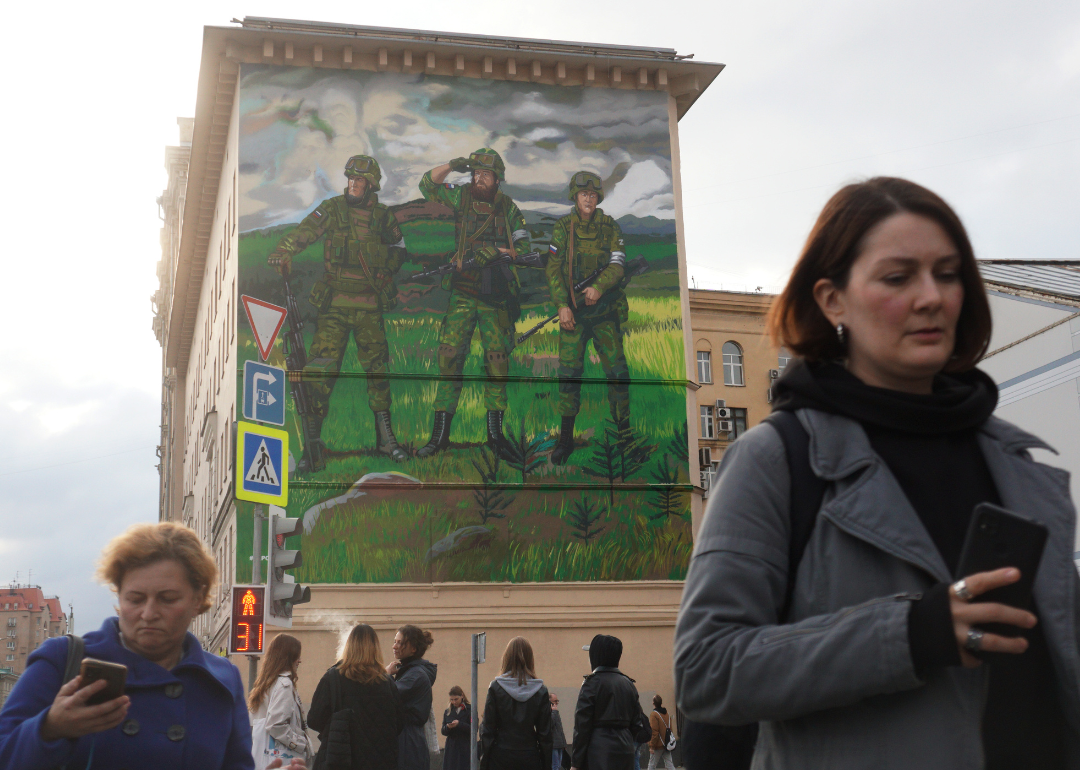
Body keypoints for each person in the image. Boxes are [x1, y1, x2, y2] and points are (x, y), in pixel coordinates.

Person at [674, 176, 1080, 769]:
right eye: (898, 277)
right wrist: (912, 632)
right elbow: (706, 670)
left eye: (948, 274)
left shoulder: (1020, 466)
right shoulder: (778, 459)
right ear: (832, 299)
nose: (931, 297)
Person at [0, 522, 255, 769]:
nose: (148, 613)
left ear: (198, 599)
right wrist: (50, 728)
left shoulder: (220, 680)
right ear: (119, 597)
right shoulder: (63, 660)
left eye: (167, 599)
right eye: (135, 599)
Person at [267, 154, 410, 467]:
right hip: (335, 306)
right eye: (350, 179)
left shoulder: (383, 217)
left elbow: (399, 250)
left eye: (359, 181)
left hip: (369, 306)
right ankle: (313, 450)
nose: (352, 185)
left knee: (378, 372)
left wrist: (385, 272)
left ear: (370, 185)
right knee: (318, 373)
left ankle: (386, 441)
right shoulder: (332, 209)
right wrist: (285, 250)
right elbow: (306, 231)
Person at [415, 148, 533, 460]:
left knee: (496, 363)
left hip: (495, 297)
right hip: (464, 293)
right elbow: (427, 185)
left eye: (486, 174)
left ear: (498, 179)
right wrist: (452, 165)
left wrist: (500, 252)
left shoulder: (508, 208)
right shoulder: (462, 197)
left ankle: (495, 437)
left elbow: (523, 248)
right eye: (476, 172)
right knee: (449, 359)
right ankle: (439, 437)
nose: (480, 178)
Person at [545, 171, 631, 465]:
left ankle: (624, 436)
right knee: (568, 376)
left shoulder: (610, 227)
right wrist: (561, 305)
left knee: (618, 374)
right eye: (584, 194)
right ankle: (565, 440)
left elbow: (618, 265)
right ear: (575, 196)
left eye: (593, 195)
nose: (589, 199)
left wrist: (599, 286)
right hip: (574, 314)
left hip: (605, 312)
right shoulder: (563, 228)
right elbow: (553, 269)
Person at [308, 623, 403, 770]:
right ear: (375, 648)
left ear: (349, 646)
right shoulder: (387, 682)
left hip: (342, 757)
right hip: (380, 760)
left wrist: (336, 729)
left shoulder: (333, 678)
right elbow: (399, 723)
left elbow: (314, 719)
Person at [570, 635, 642, 770]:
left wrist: (575, 763)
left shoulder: (591, 683)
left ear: (596, 656)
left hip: (598, 751)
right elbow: (637, 724)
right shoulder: (629, 684)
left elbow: (582, 726)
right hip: (625, 749)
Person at [480, 636, 552, 770]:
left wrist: (484, 764)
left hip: (500, 756)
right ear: (530, 659)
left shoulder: (496, 687)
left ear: (506, 658)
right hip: (530, 756)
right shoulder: (540, 691)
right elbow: (545, 735)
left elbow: (487, 730)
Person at [249, 633, 311, 767]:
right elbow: (275, 725)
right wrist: (300, 743)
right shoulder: (284, 684)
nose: (299, 660)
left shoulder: (265, 684)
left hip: (263, 757)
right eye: (297, 656)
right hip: (283, 760)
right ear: (288, 658)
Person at [386, 624, 438, 770]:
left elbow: (389, 695)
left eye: (400, 642)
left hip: (408, 743)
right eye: (395, 641)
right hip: (408, 740)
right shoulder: (411, 671)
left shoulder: (415, 675)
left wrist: (386, 676)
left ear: (413, 649)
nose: (394, 646)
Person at [442, 685, 472, 770]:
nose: (454, 702)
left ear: (462, 696)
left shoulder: (470, 710)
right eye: (451, 700)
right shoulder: (448, 711)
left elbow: (473, 729)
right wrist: (448, 727)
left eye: (456, 699)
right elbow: (443, 731)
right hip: (451, 748)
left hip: (464, 746)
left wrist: (459, 724)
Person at [646, 696, 674, 770]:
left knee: (651, 765)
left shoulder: (654, 715)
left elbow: (654, 731)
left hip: (657, 745)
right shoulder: (666, 714)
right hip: (667, 743)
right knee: (669, 764)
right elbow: (670, 729)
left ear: (653, 703)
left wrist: (652, 746)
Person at [549, 692, 570, 770]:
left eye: (557, 701)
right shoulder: (549, 712)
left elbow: (560, 729)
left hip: (560, 744)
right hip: (554, 745)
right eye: (555, 701)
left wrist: (564, 744)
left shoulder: (556, 712)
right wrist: (554, 712)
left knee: (558, 765)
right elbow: (550, 725)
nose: (557, 703)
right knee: (555, 766)